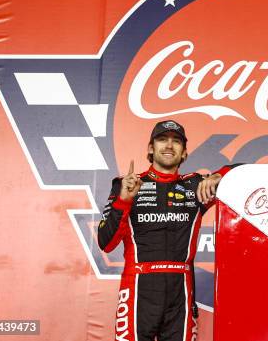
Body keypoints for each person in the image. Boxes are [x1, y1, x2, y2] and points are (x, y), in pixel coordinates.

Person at [98, 120, 235, 341]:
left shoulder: (197, 186)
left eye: (176, 141)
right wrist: (124, 201)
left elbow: (245, 173)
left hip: (180, 291)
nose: (169, 145)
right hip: (138, 288)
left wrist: (220, 175)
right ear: (151, 148)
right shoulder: (127, 184)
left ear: (184, 152)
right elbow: (106, 243)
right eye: (162, 139)